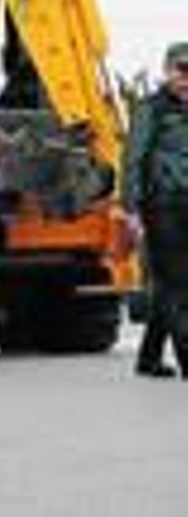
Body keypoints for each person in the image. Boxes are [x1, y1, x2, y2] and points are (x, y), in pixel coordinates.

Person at [123, 41, 188, 380]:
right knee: (177, 283)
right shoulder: (151, 109)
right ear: (168, 71)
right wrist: (131, 210)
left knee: (169, 284)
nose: (187, 79)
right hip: (163, 207)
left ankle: (148, 357)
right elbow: (132, 160)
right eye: (182, 71)